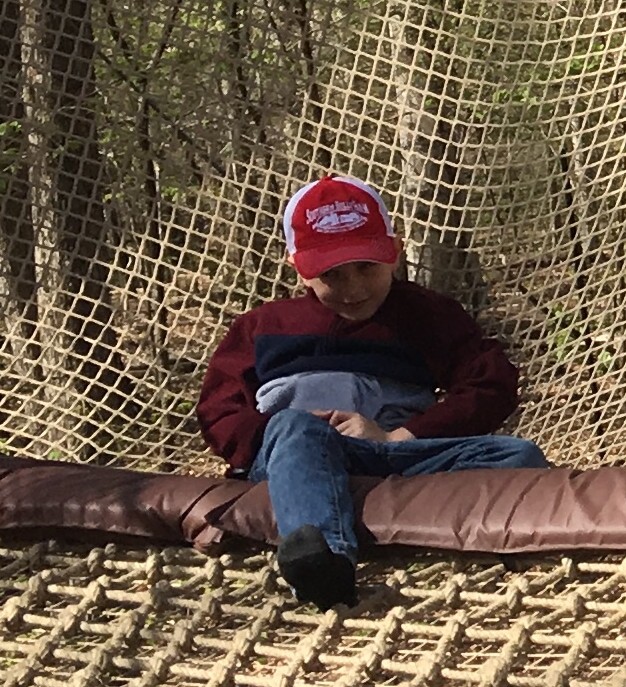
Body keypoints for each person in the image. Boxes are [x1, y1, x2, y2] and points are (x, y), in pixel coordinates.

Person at [193, 175, 548, 609]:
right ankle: (323, 561)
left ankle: (363, 502)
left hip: (391, 452)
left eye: (367, 268)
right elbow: (219, 408)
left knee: (516, 454)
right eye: (332, 275)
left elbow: (491, 381)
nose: (354, 289)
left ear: (393, 253)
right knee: (296, 428)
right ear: (298, 267)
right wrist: (288, 433)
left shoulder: (426, 315)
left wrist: (400, 436)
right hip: (294, 455)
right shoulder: (263, 325)